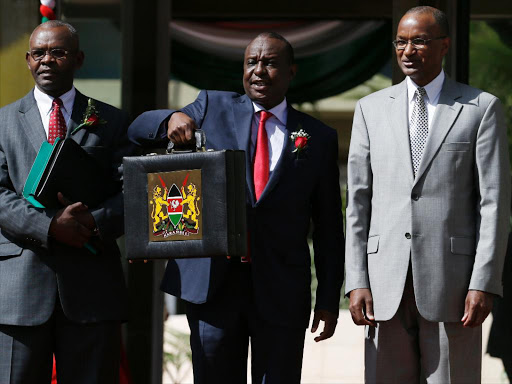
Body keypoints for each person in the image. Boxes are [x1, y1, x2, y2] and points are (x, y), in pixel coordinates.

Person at [128, 32, 345, 383]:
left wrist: (328, 298)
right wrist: (170, 119)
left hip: (281, 290)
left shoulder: (317, 136)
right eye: (251, 62)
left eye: (270, 62)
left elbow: (329, 226)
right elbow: (137, 129)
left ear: (292, 71)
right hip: (215, 288)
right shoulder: (212, 107)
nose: (258, 70)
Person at [345, 6, 510, 383]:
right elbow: (358, 202)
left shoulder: (480, 108)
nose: (408, 50)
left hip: (453, 287)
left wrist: (483, 282)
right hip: (384, 285)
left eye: (419, 41)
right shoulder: (369, 110)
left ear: (444, 45)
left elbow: (494, 204)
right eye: (401, 42)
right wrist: (356, 279)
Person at [0, 20, 132, 383]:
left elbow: (133, 193)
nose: (47, 60)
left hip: (91, 290)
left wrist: (94, 222)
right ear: (27, 60)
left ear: (78, 59)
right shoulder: (2, 122)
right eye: (39, 53)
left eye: (58, 52)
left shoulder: (113, 120)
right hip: (19, 293)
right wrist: (49, 227)